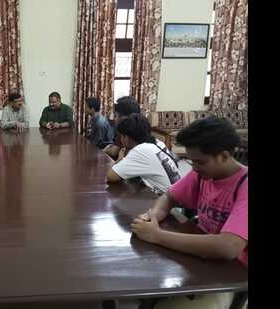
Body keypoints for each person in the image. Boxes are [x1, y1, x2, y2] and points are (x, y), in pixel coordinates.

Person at [129, 116, 248, 309]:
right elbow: (169, 197)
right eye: (191, 161)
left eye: (200, 162)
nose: (193, 167)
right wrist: (154, 216)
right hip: (199, 259)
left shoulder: (244, 186)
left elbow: (227, 247)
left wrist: (156, 235)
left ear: (225, 156)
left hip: (233, 276)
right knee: (147, 282)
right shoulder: (203, 174)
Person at [106, 114, 180, 195]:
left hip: (168, 202)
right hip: (176, 193)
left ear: (126, 138)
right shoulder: (157, 142)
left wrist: (119, 159)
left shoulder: (140, 150)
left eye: (121, 136)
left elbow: (111, 176)